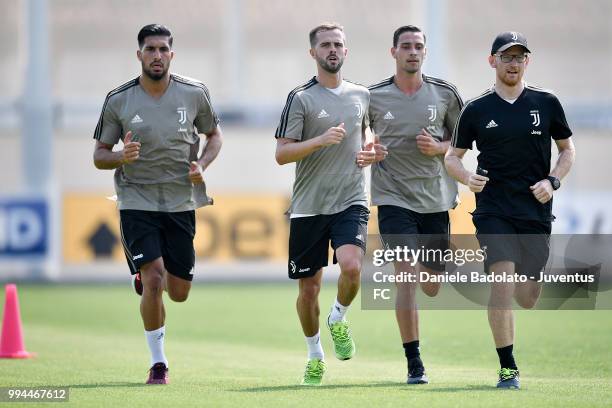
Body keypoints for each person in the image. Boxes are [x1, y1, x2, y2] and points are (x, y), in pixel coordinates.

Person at [93, 24, 223, 385]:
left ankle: (147, 275)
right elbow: (99, 155)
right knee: (154, 280)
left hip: (181, 200)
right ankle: (158, 364)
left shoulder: (194, 93)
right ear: (139, 55)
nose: (157, 56)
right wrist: (121, 155)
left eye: (163, 49)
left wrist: (203, 165)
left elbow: (214, 135)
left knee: (178, 292)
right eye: (150, 49)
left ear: (172, 54)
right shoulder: (119, 100)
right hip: (136, 199)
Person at [445, 31, 575, 389]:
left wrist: (553, 181)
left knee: (528, 297)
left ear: (527, 62)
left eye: (519, 57)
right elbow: (452, 158)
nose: (513, 63)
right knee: (501, 284)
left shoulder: (547, 102)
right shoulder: (476, 108)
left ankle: (525, 275)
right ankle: (508, 369)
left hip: (534, 210)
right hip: (493, 211)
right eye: (506, 57)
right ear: (493, 62)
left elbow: (567, 150)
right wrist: (466, 177)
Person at [274, 22, 385, 386]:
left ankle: (338, 318)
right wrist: (320, 140)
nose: (332, 50)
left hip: (351, 199)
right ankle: (314, 354)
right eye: (325, 45)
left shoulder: (361, 95)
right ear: (314, 53)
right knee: (308, 290)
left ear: (346, 51)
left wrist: (370, 149)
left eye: (338, 44)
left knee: (352, 267)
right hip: (308, 205)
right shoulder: (301, 98)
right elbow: (281, 153)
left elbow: (368, 131)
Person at [368, 25, 463, 385]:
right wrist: (367, 148)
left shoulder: (446, 94)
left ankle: (435, 269)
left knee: (432, 285)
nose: (412, 51)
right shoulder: (372, 96)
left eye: (418, 46)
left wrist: (440, 148)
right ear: (393, 52)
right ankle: (414, 361)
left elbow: (464, 141)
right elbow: (358, 134)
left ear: (426, 52)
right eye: (405, 46)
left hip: (436, 200)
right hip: (393, 197)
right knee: (405, 275)